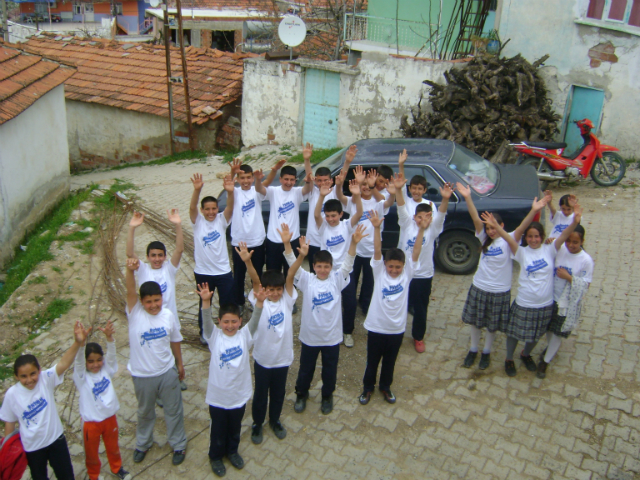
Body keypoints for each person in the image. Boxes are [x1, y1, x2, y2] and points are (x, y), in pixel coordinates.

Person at [457, 183, 550, 370]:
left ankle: (486, 352)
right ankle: (473, 349)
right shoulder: (484, 238)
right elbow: (475, 217)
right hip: (480, 287)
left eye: (494, 227)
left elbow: (523, 227)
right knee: (476, 322)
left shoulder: (509, 239)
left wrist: (533, 211)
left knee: (492, 325)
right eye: (488, 228)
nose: (491, 231)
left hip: (500, 291)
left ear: (501, 226)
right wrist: (468, 197)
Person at [485, 205, 583, 377]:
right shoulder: (521, 252)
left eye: (536, 236)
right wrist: (496, 225)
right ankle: (509, 358)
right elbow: (508, 239)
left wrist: (574, 222)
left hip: (545, 304)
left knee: (535, 335)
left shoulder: (550, 249)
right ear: (526, 238)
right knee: (514, 334)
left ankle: (526, 354)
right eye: (530, 236)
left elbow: (565, 234)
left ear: (542, 237)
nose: (533, 239)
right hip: (524, 302)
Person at [284, 225, 366, 415]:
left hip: (331, 337)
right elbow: (292, 265)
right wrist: (289, 245)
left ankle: (327, 395)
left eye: (326, 266)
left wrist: (353, 243)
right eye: (319, 266)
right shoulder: (306, 280)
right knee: (306, 369)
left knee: (330, 370)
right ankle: (301, 394)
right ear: (313, 267)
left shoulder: (337, 279)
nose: (322, 270)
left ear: (331, 267)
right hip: (310, 337)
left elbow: (348, 263)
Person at [235, 237, 302, 445]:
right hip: (263, 358)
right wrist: (247, 262)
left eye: (277, 289)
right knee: (261, 394)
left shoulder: (288, 300)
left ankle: (274, 420)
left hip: (282, 359)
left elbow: (290, 274)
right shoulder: (259, 301)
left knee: (279, 393)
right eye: (270, 289)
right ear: (263, 290)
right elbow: (255, 280)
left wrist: (301, 256)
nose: (274, 293)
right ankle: (257, 424)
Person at [359, 209, 429, 405]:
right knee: (372, 362)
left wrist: (421, 230)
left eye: (398, 267)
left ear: (404, 267)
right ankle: (367, 388)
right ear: (385, 265)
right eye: (391, 266)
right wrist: (376, 228)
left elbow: (416, 252)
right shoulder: (379, 272)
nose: (394, 270)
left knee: (390, 362)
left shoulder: (408, 274)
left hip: (396, 329)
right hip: (376, 327)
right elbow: (377, 249)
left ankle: (385, 387)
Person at [0, 322, 86, 480]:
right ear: (16, 377)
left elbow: (63, 363)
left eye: (33, 374)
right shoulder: (12, 395)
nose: (29, 380)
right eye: (23, 376)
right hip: (33, 448)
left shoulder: (45, 380)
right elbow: (9, 424)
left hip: (56, 440)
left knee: (66, 476)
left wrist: (77, 342)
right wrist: (8, 452)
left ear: (39, 370)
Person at [124, 258, 187, 466]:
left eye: (157, 300)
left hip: (167, 372)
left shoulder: (168, 315)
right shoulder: (134, 314)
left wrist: (179, 364)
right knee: (144, 412)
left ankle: (178, 444)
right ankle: (143, 443)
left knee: (173, 409)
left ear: (162, 298)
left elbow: (175, 340)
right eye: (148, 302)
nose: (153, 305)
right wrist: (130, 271)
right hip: (142, 376)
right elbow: (130, 290)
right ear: (141, 302)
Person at [197, 283, 263, 478]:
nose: (230, 326)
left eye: (234, 321)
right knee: (218, 428)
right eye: (226, 322)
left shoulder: (245, 336)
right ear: (219, 321)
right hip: (218, 396)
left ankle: (232, 451)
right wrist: (206, 301)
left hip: (238, 394)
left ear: (240, 321)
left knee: (235, 427)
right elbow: (206, 322)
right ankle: (215, 456)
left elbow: (256, 321)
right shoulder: (214, 336)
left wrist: (259, 302)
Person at [126, 209, 187, 391]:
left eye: (160, 255)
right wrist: (132, 228)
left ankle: (178, 374)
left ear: (165, 257)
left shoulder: (169, 269)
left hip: (170, 316)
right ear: (147, 257)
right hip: (150, 319)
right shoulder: (143, 270)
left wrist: (177, 224)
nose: (157, 259)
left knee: (174, 345)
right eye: (153, 255)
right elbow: (130, 253)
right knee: (156, 348)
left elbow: (180, 248)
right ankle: (159, 386)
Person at [336, 166, 394, 348]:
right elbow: (339, 196)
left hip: (372, 253)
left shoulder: (378, 203)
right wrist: (340, 185)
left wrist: (372, 185)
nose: (366, 189)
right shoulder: (353, 202)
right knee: (350, 289)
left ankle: (367, 308)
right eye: (364, 187)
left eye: (369, 187)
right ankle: (348, 323)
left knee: (370, 285)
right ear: (359, 187)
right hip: (353, 253)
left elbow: (389, 200)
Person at [396, 174, 454, 353]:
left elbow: (442, 215)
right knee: (399, 304)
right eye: (419, 217)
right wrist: (398, 190)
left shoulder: (433, 229)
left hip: (423, 274)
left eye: (426, 217)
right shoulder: (407, 225)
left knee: (420, 308)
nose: (422, 221)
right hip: (404, 273)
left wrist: (445, 199)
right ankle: (396, 333)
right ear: (414, 217)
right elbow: (400, 206)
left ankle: (418, 336)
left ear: (430, 217)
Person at [73, 320, 131, 480]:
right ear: (85, 362)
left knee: (113, 448)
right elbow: (77, 362)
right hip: (91, 425)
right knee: (91, 454)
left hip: (110, 419)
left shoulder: (107, 370)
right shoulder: (81, 378)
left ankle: (117, 468)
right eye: (90, 361)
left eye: (98, 360)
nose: (95, 364)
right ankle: (93, 475)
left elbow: (112, 357)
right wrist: (81, 344)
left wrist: (110, 338)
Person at [536, 224, 594, 379]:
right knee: (549, 328)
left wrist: (569, 278)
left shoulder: (586, 261)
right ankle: (550, 348)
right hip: (550, 296)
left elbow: (585, 284)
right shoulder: (560, 250)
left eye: (575, 242)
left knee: (557, 332)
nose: (571, 245)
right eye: (568, 241)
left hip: (566, 302)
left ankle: (546, 361)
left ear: (582, 241)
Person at [228, 158, 282, 311]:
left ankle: (255, 301)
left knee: (257, 275)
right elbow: (228, 184)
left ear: (252, 178)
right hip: (239, 242)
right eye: (242, 178)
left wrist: (273, 170)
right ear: (238, 179)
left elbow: (266, 182)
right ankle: (239, 302)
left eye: (248, 178)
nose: (245, 181)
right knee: (238, 275)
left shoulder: (257, 191)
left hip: (257, 241)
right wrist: (232, 172)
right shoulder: (235, 192)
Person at [189, 173, 236, 344]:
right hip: (203, 273)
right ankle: (205, 334)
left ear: (218, 209)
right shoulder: (197, 222)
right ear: (202, 210)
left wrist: (230, 192)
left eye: (214, 209)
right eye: (207, 209)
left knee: (227, 304)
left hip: (223, 272)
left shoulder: (222, 221)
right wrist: (197, 190)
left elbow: (230, 207)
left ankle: (228, 330)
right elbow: (192, 207)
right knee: (204, 305)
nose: (211, 212)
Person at [305, 144, 357, 270]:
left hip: (330, 240)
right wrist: (307, 160)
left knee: (331, 271)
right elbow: (308, 176)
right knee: (315, 272)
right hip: (313, 240)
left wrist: (347, 162)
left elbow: (341, 178)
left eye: (325, 180)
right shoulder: (313, 192)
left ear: (331, 180)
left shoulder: (335, 192)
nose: (322, 183)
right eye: (319, 180)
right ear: (316, 181)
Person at [264, 161, 313, 277]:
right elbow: (260, 188)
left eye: (292, 180)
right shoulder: (273, 191)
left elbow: (307, 189)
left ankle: (290, 294)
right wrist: (274, 170)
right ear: (280, 179)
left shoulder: (297, 192)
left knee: (291, 274)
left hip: (293, 240)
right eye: (286, 179)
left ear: (295, 180)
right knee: (272, 275)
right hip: (273, 240)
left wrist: (308, 178)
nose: (289, 182)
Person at [314, 180, 363, 271]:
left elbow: (359, 213)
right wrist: (321, 196)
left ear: (341, 214)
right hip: (328, 269)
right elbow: (316, 215)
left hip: (344, 268)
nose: (330, 219)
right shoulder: (323, 226)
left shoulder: (346, 225)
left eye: (333, 216)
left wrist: (357, 195)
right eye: (327, 216)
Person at [397, 149, 437, 221]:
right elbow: (401, 184)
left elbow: (434, 224)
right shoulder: (406, 201)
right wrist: (401, 165)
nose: (416, 191)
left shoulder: (430, 204)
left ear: (424, 190)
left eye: (420, 189)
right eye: (414, 188)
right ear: (409, 188)